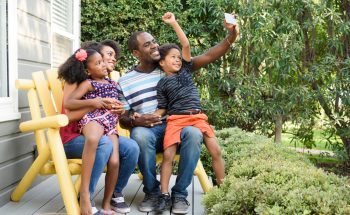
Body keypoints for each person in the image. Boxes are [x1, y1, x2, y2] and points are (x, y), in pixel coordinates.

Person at [117, 12, 239, 214]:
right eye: (147, 45)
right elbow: (122, 117)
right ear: (136, 53)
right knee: (138, 134)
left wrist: (232, 34)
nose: (154, 46)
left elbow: (210, 54)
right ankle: (154, 192)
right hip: (151, 131)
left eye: (154, 42)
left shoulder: (175, 66)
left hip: (180, 124)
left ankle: (180, 194)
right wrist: (137, 119)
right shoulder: (125, 81)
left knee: (193, 133)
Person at [150, 12, 225, 212]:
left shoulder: (185, 71)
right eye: (172, 57)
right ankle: (165, 194)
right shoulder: (162, 83)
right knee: (168, 156)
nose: (177, 60)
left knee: (215, 150)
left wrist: (174, 23)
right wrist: (150, 118)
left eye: (178, 57)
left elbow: (186, 46)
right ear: (162, 63)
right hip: (176, 120)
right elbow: (162, 108)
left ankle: (224, 188)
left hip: (198, 117)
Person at [59, 41, 139, 215]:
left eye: (112, 56)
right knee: (104, 143)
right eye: (107, 55)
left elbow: (110, 111)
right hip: (72, 138)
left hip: (101, 129)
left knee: (131, 148)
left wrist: (119, 110)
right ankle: (85, 196)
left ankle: (113, 195)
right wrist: (96, 104)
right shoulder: (77, 81)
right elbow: (68, 115)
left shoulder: (108, 82)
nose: (112, 59)